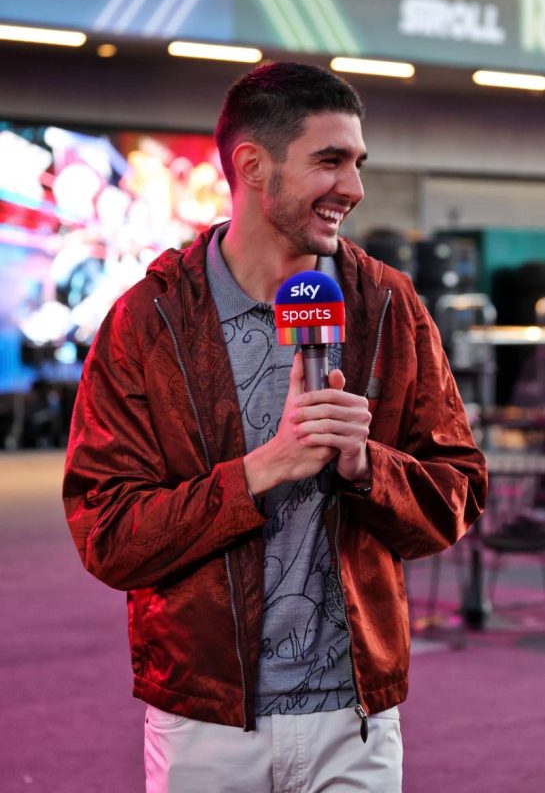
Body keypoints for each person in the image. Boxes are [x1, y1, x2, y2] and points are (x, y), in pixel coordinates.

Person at [63, 62, 487, 793]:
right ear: (253, 166)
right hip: (207, 720)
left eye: (357, 163)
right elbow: (108, 536)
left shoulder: (388, 305)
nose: (353, 188)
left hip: (355, 720)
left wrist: (365, 466)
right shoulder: (149, 320)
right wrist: (262, 470)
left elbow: (458, 495)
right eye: (329, 161)